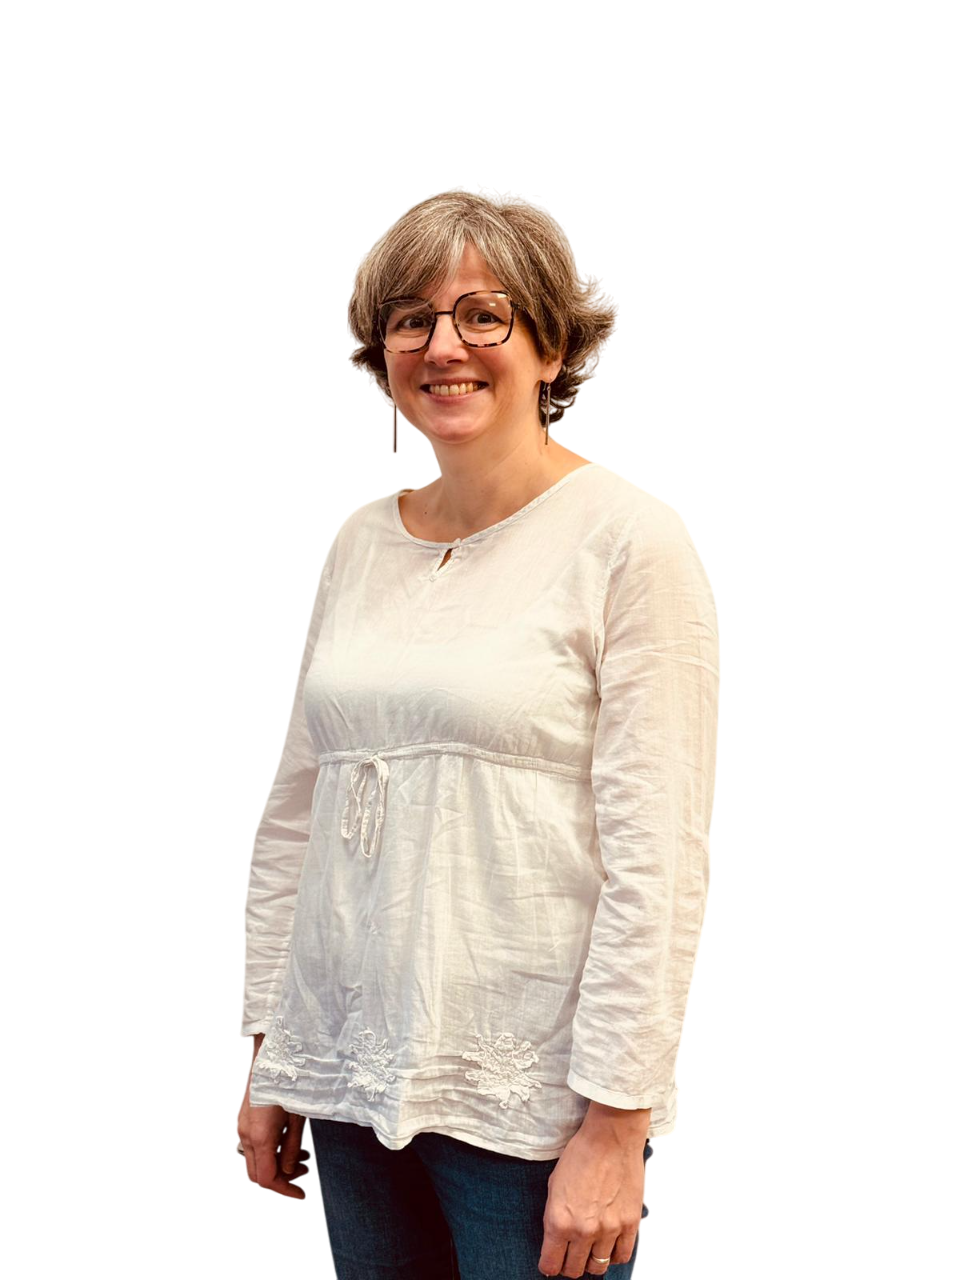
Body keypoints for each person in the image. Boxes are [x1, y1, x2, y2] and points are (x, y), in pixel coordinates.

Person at [236, 186, 720, 1279]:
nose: (443, 345)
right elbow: (294, 817)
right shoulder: (359, 541)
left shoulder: (631, 541)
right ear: (381, 355)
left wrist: (616, 1125)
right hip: (349, 1086)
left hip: (533, 1111)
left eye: (483, 314)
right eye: (411, 318)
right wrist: (273, 1048)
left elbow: (658, 864)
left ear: (551, 345)